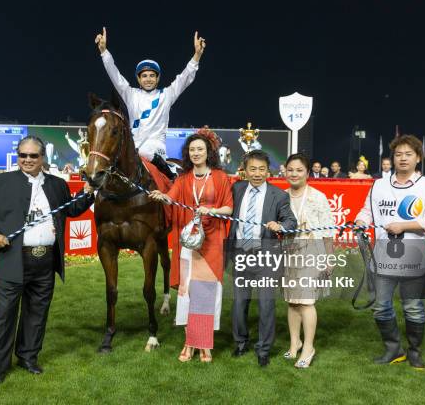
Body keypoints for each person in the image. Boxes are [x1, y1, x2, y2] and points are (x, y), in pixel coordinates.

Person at [0, 136, 94, 383]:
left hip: (45, 262)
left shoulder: (57, 184)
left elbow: (70, 210)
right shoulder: (1, 181)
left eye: (33, 156)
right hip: (12, 260)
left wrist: (89, 192)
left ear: (43, 158)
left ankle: (28, 357)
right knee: (5, 315)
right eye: (23, 155)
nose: (27, 160)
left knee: (37, 314)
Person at [355, 135, 425, 370]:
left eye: (408, 154)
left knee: (413, 305)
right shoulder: (378, 185)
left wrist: (404, 225)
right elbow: (367, 211)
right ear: (392, 158)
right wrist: (360, 221)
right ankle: (393, 349)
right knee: (381, 305)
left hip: (415, 253)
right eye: (398, 154)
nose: (403, 158)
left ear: (418, 158)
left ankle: (414, 351)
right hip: (383, 253)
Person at [149, 129, 233, 363]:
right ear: (188, 153)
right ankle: (190, 342)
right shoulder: (184, 179)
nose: (196, 153)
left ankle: (204, 345)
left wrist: (212, 210)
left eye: (200, 150)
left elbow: (228, 209)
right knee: (188, 295)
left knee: (206, 294)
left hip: (212, 242)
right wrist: (161, 195)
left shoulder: (220, 177)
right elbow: (171, 197)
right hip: (189, 243)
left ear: (208, 153)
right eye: (192, 150)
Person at [94, 27, 206, 179]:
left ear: (158, 78)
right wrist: (104, 52)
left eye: (152, 75)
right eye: (144, 76)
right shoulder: (130, 94)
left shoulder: (167, 95)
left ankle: (170, 175)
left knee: (142, 151)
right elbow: (115, 76)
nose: (148, 79)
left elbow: (184, 78)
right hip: (133, 146)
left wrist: (197, 55)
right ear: (138, 79)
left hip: (155, 148)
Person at [228, 150, 297, 367]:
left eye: (261, 169)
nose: (257, 173)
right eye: (252, 169)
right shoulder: (236, 189)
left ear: (268, 171)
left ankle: (264, 349)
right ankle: (240, 342)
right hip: (240, 254)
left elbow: (291, 222)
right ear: (245, 170)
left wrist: (281, 226)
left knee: (266, 304)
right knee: (239, 303)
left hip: (266, 256)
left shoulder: (279, 196)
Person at [283, 153, 334, 368]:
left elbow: (329, 230)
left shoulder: (318, 197)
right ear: (285, 171)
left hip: (312, 251)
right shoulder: (281, 196)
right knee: (292, 300)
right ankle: (295, 343)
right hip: (289, 253)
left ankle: (308, 347)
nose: (294, 174)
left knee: (306, 302)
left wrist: (330, 258)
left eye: (299, 170)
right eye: (290, 170)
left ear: (307, 173)